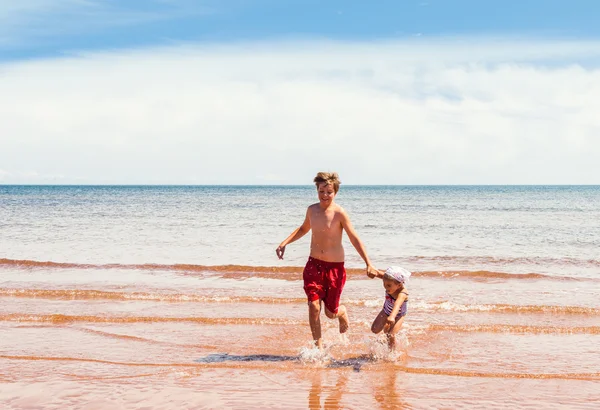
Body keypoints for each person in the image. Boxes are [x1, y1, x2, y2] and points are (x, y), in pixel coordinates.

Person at [276, 172, 377, 349]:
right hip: (313, 265)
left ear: (335, 192)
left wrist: (368, 263)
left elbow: (354, 238)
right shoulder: (312, 210)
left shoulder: (340, 213)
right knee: (313, 306)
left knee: (330, 313)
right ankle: (318, 347)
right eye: (321, 191)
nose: (324, 195)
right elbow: (303, 228)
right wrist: (285, 242)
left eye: (329, 192)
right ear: (317, 190)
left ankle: (342, 312)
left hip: (335, 268)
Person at [369, 266, 411, 350]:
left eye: (388, 285)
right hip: (386, 311)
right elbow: (379, 273)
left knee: (391, 334)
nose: (386, 287)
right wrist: (373, 272)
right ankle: (387, 329)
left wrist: (392, 316)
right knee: (374, 330)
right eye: (384, 284)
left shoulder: (402, 293)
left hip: (398, 315)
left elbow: (397, 304)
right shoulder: (390, 280)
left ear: (399, 285)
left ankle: (392, 353)